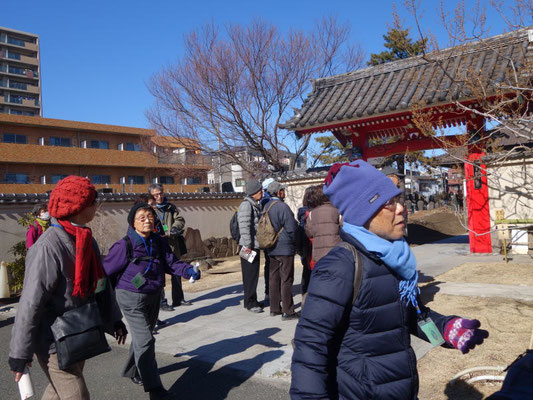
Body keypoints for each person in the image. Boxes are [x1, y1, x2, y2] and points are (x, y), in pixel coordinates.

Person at [290, 161, 489, 399]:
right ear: (363, 211)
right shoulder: (340, 265)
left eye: (398, 199)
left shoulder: (392, 257)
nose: (400, 209)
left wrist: (446, 328)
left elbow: (405, 315)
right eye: (388, 203)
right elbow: (310, 346)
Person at [9, 176, 127, 400]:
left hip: (79, 330)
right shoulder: (47, 247)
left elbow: (100, 286)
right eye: (93, 202)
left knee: (57, 391)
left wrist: (114, 320)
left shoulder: (86, 239)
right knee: (76, 394)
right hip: (52, 338)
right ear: (78, 207)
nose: (96, 206)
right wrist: (19, 353)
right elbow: (30, 303)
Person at [103, 202, 201, 400]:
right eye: (142, 218)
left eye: (150, 217)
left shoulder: (158, 241)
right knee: (146, 339)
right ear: (133, 222)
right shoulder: (124, 245)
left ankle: (132, 370)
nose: (147, 220)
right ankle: (155, 389)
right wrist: (108, 307)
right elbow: (104, 273)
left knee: (143, 337)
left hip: (153, 294)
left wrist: (188, 271)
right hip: (130, 297)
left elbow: (170, 263)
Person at [148, 183, 192, 310]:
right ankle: (162, 302)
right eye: (155, 195)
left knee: (177, 271)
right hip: (157, 245)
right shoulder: (150, 209)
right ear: (151, 196)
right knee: (159, 274)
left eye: (160, 193)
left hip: (173, 245)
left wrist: (175, 227)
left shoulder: (170, 207)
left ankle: (178, 298)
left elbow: (180, 219)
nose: (159, 197)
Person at [264, 181, 299, 320]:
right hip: (284, 248)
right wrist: (296, 243)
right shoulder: (282, 207)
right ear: (279, 192)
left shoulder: (266, 206)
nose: (284, 192)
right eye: (283, 190)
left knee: (274, 278)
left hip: (271, 246)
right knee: (286, 279)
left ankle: (274, 308)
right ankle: (288, 311)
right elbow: (291, 228)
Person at [237, 179, 264, 313]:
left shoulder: (253, 204)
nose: (262, 192)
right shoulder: (246, 205)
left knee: (252, 275)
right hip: (248, 246)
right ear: (254, 192)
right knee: (249, 275)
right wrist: (248, 245)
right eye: (260, 191)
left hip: (252, 245)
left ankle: (252, 300)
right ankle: (250, 302)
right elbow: (244, 227)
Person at [304, 184, 341, 270]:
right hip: (336, 250)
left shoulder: (312, 213)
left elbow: (309, 233)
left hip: (318, 253)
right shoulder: (337, 210)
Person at [261, 177, 275, 299]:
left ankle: (269, 291)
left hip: (266, 237)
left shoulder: (262, 200)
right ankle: (270, 291)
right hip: (270, 237)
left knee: (269, 264)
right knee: (271, 264)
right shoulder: (267, 201)